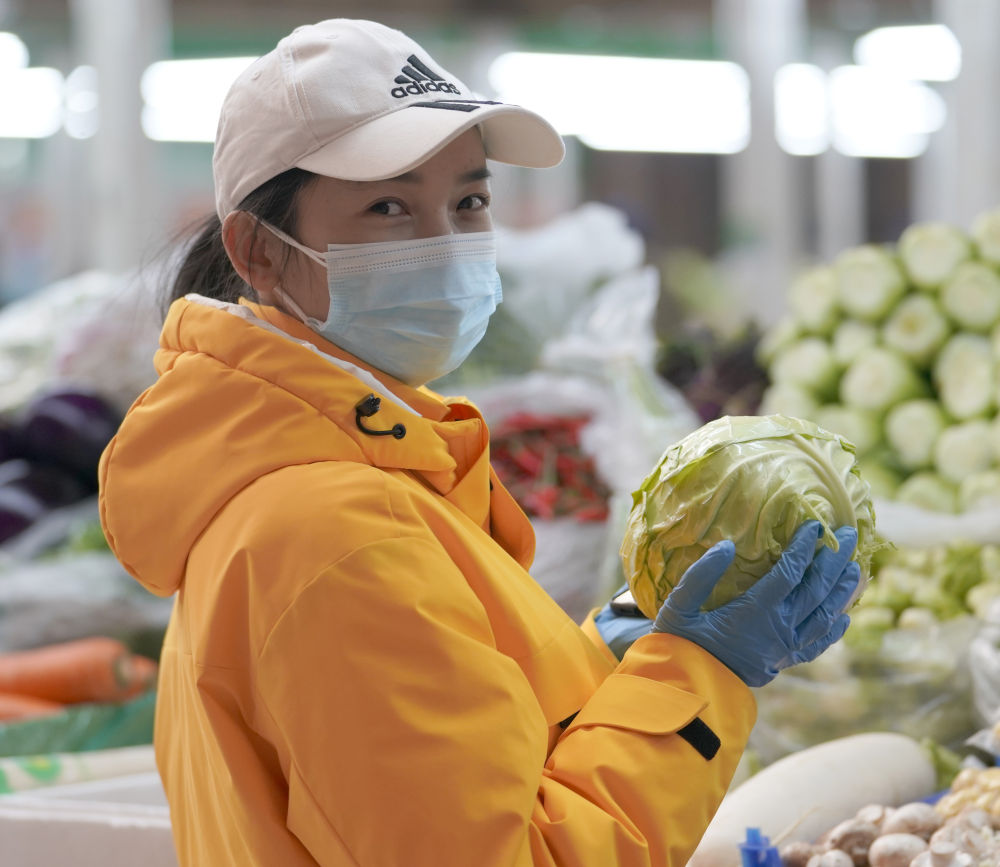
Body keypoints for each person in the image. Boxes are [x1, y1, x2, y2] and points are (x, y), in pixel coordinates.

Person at [98, 18, 861, 867]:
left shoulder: (348, 473)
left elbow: (465, 752)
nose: (446, 243)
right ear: (259, 253)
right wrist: (698, 673)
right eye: (388, 206)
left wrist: (616, 649)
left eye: (468, 202)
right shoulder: (336, 535)